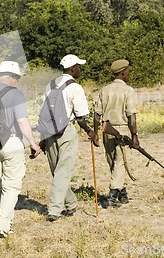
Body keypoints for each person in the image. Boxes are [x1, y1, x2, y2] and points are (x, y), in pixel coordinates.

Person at [0, 61, 42, 238]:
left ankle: (6, 222)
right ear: (10, 76)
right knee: (12, 186)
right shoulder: (15, 94)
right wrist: (32, 143)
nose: (18, 80)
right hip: (11, 142)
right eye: (17, 77)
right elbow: (21, 121)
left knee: (1, 183)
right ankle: (1, 223)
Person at [41, 54, 96, 222]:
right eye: (78, 66)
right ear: (72, 69)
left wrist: (43, 138)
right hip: (66, 131)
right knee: (62, 172)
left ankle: (71, 204)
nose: (80, 69)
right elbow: (80, 117)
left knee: (58, 172)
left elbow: (44, 112)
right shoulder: (75, 87)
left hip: (49, 131)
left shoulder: (50, 85)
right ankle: (54, 210)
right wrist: (90, 131)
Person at [93, 59, 139, 208]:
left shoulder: (104, 90)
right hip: (122, 129)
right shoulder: (128, 90)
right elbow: (131, 115)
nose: (129, 74)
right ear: (123, 72)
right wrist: (134, 136)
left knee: (113, 162)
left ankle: (122, 193)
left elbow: (96, 114)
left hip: (107, 129)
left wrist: (95, 133)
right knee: (120, 163)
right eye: (128, 72)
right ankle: (112, 196)